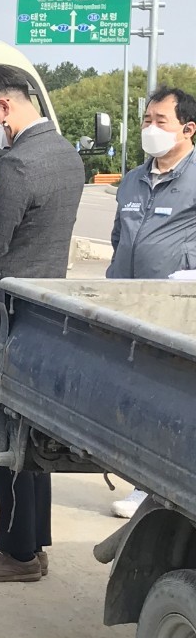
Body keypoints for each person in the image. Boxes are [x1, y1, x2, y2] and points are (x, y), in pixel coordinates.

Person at [0, 65, 84, 582]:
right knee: (30, 440)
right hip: (38, 317)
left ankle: (17, 551)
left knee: (2, 440)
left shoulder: (16, 165)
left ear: (3, 107)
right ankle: (30, 540)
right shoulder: (65, 155)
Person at [106, 85, 196, 519]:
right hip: (129, 304)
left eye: (161, 121)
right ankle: (145, 483)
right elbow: (119, 238)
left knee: (170, 401)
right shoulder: (132, 180)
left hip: (177, 311)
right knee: (136, 398)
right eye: (146, 120)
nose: (151, 129)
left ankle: (160, 490)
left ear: (188, 128)